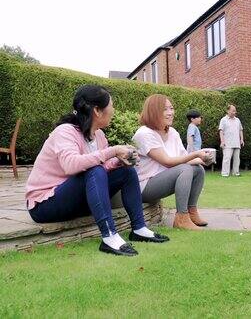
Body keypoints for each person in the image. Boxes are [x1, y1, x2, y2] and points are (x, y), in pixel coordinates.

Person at [25, 85, 169, 257]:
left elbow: (102, 167)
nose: (114, 110)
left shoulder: (99, 135)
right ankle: (109, 236)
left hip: (76, 199)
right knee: (95, 171)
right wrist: (113, 151)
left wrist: (119, 161)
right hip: (45, 205)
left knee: (127, 171)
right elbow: (71, 165)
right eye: (111, 105)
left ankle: (139, 228)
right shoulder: (65, 132)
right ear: (97, 111)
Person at [132, 94, 211, 231]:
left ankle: (191, 212)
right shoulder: (144, 133)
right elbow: (167, 162)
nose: (170, 113)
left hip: (162, 180)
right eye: (165, 109)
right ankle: (181, 218)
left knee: (198, 169)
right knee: (185, 169)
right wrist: (196, 153)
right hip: (143, 186)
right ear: (153, 111)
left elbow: (183, 157)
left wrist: (203, 159)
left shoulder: (172, 132)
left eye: (171, 108)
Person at [218, 104, 244, 177]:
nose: (234, 112)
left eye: (235, 111)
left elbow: (240, 130)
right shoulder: (223, 120)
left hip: (237, 143)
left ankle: (236, 173)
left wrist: (242, 139)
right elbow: (221, 131)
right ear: (228, 111)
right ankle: (225, 173)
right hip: (227, 143)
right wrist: (222, 141)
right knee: (227, 158)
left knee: (237, 159)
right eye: (233, 111)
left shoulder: (237, 120)